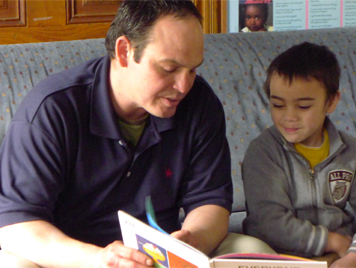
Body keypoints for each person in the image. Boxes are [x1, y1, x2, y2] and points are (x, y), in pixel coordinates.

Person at [0, 0, 274, 267]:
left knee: (253, 251)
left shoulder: (199, 103)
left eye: (192, 70)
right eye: (169, 69)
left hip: (160, 255)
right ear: (124, 52)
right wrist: (97, 260)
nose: (183, 86)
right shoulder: (52, 110)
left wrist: (192, 243)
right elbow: (15, 227)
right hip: (73, 258)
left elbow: (210, 200)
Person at [242, 42, 356, 268]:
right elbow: (268, 222)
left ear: (331, 101)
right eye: (278, 105)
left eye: (303, 107)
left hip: (336, 256)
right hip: (276, 256)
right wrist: (328, 240)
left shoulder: (350, 151)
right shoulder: (263, 152)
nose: (288, 117)